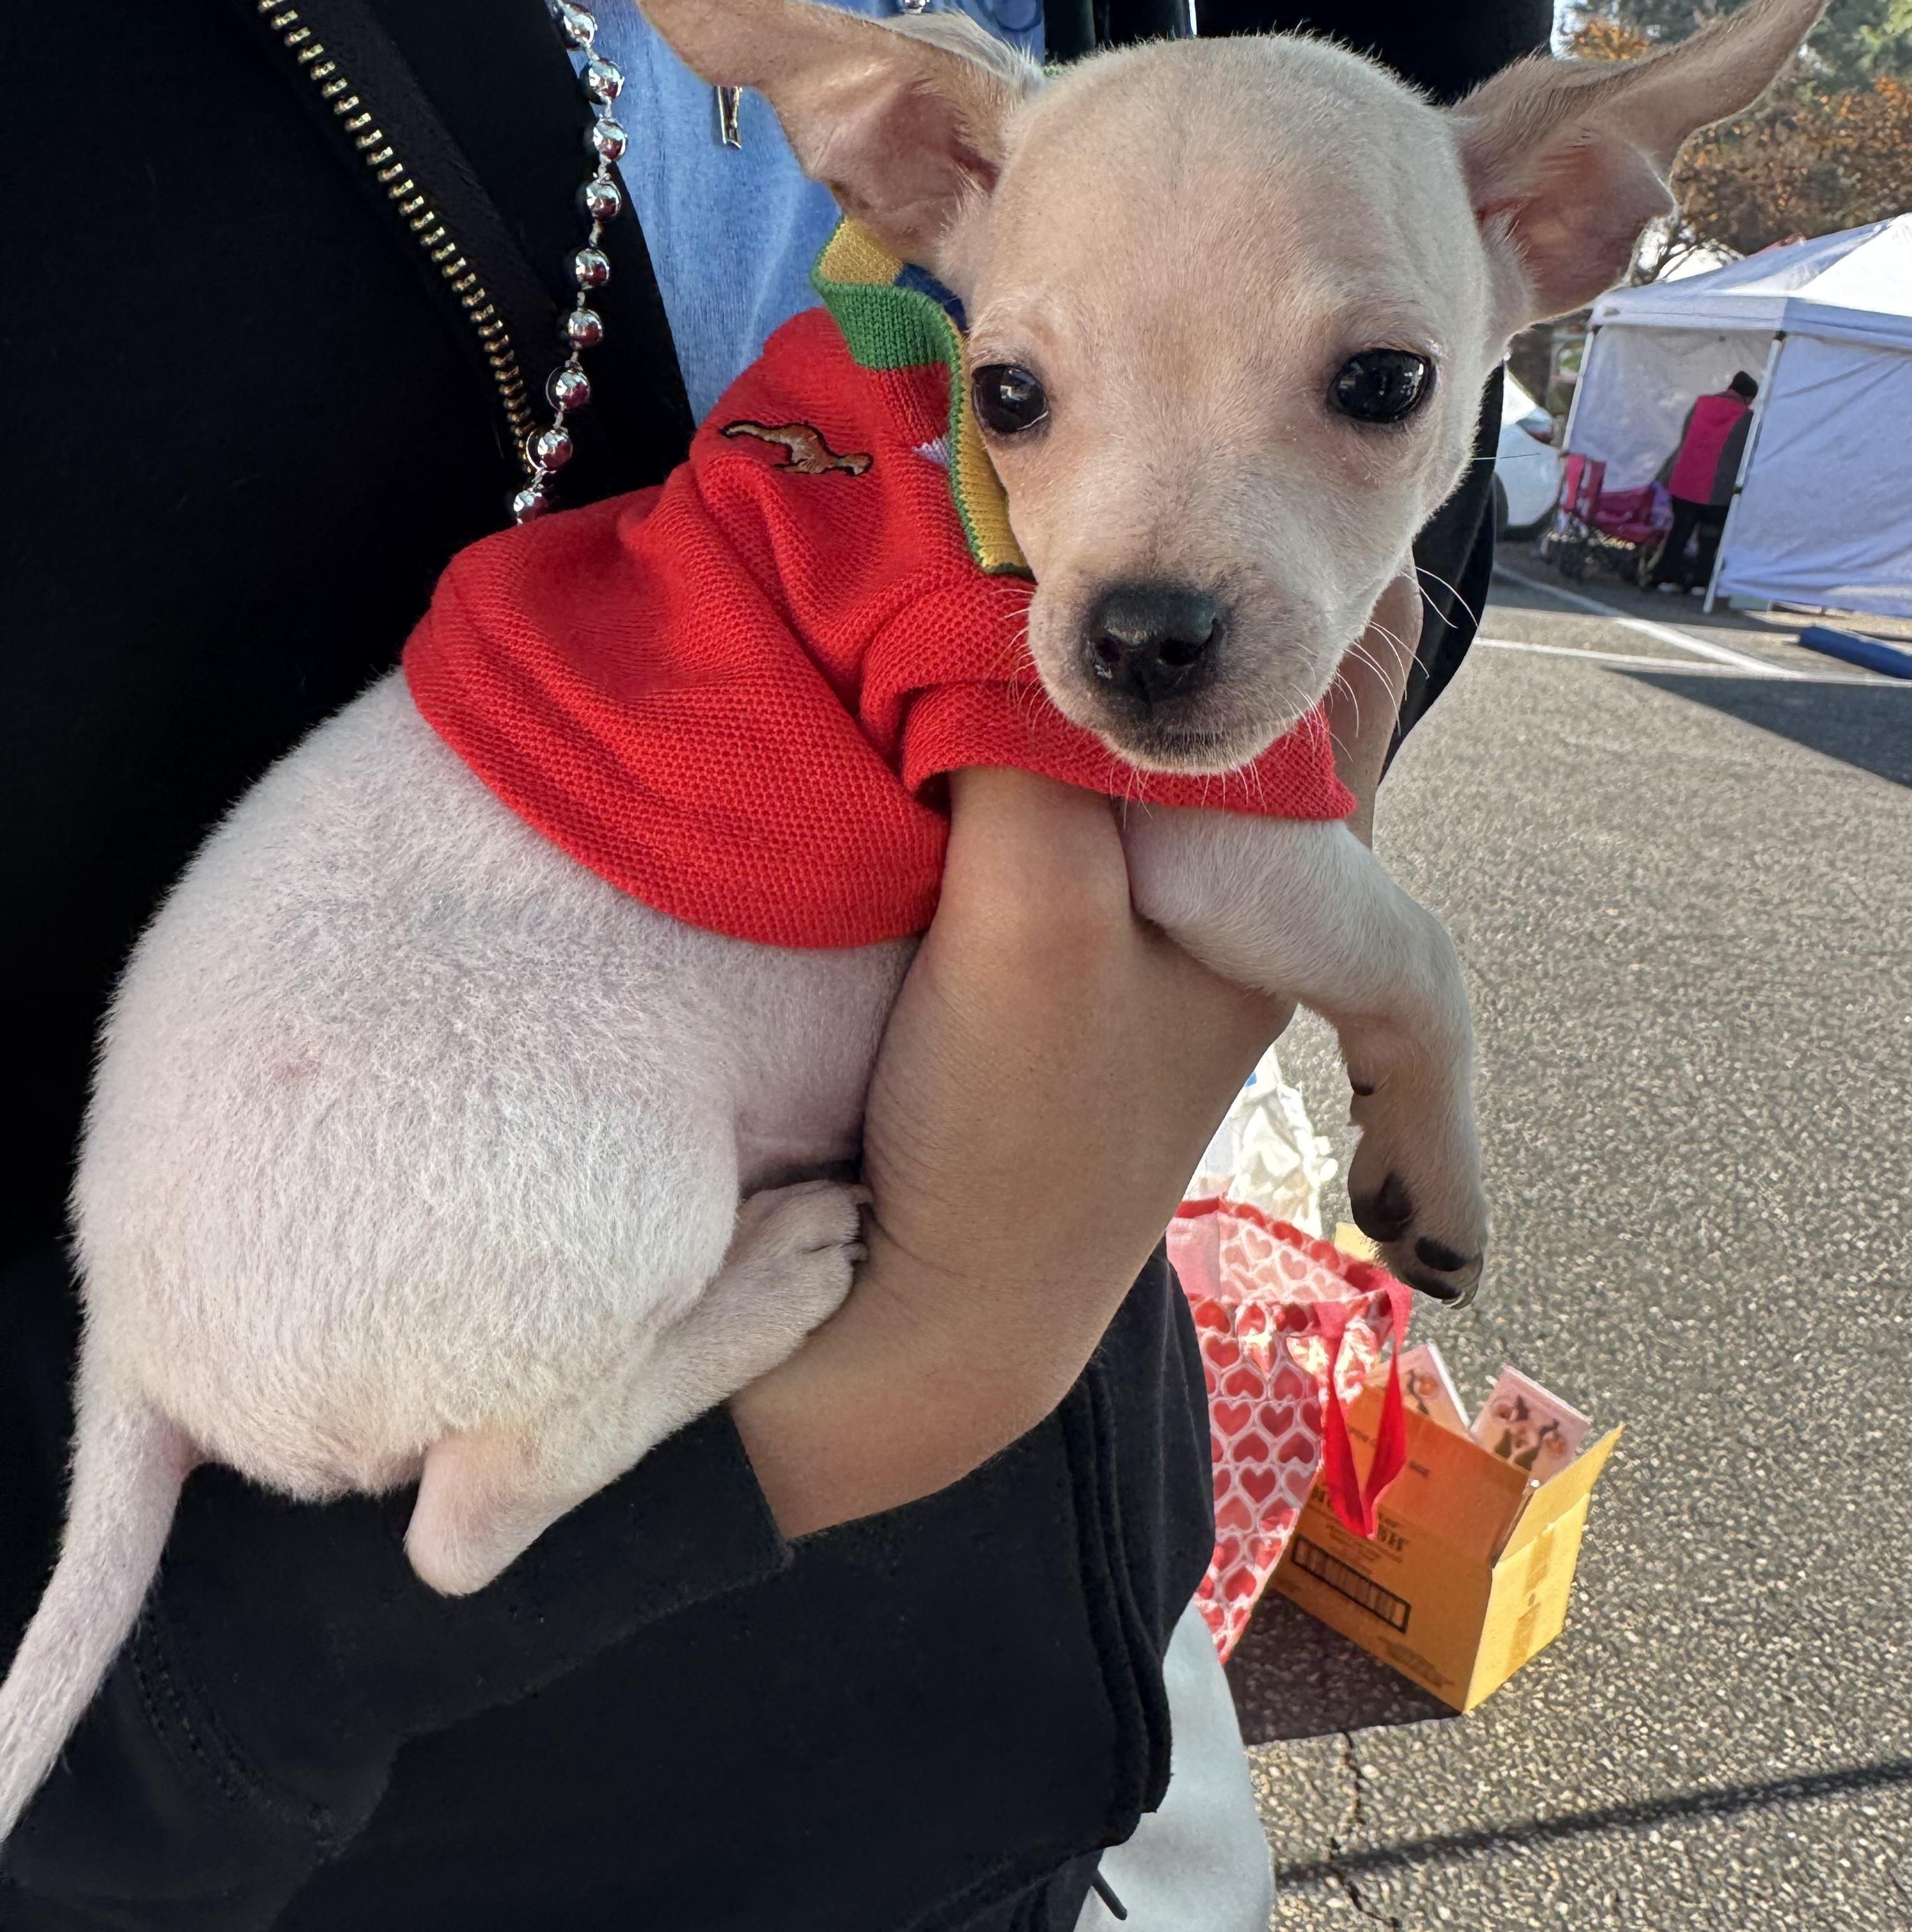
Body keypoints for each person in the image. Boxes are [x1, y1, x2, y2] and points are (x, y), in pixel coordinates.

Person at [0, 2, 1545, 1924]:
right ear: (910, 177)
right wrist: (931, 1343)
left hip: (1001, 1701)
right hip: (465, 1777)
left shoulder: (963, 332)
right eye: (1026, 400)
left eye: (1368, 383)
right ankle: (520, 1466)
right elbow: (1229, 836)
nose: (1160, 574)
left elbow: (1370, 539)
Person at [1651, 369, 1759, 593]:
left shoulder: (1701, 403)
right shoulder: (1747, 417)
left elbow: (1686, 437)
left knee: (1679, 533)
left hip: (1685, 481)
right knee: (1709, 539)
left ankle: (1666, 579)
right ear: (1749, 397)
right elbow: (1745, 454)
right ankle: (1700, 583)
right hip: (1718, 490)